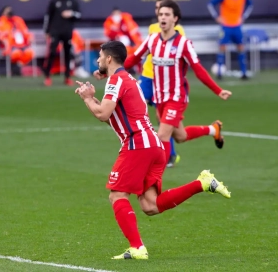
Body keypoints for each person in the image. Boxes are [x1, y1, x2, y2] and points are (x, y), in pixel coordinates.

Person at [77, 40, 231, 260]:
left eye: (100, 56)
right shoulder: (127, 79)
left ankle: (137, 248)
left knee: (117, 194)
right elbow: (111, 116)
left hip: (138, 144)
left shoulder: (115, 80)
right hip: (154, 145)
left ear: (109, 58)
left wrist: (87, 98)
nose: (98, 60)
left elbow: (102, 114)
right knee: (150, 205)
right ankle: (202, 183)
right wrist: (92, 98)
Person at [96, 0, 233, 166]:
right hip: (159, 97)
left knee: (161, 136)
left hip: (176, 98)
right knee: (180, 136)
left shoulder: (183, 43)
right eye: (161, 14)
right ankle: (213, 130)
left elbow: (198, 69)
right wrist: (108, 71)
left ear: (175, 19)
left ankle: (156, 184)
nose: (163, 17)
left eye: (167, 14)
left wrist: (218, 90)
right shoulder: (152, 40)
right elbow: (133, 59)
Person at [139, 0, 186, 168]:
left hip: (164, 80)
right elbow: (145, 50)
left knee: (163, 119)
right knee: (136, 106)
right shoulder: (152, 28)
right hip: (147, 75)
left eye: (164, 11)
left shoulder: (178, 30)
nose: (160, 14)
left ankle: (169, 154)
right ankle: (142, 146)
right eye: (158, 10)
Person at [207, 0, 253, 80]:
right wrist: (217, 17)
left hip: (237, 26)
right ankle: (219, 73)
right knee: (222, 47)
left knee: (240, 47)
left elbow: (250, 5)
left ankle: (243, 72)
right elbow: (210, 4)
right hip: (226, 27)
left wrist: (243, 17)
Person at [43, 0, 81, 87]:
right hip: (55, 31)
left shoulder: (73, 1)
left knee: (68, 54)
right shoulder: (55, 0)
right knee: (52, 52)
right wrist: (47, 31)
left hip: (67, 31)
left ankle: (67, 77)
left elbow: (79, 15)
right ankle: (47, 76)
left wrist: (71, 13)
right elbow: (48, 16)